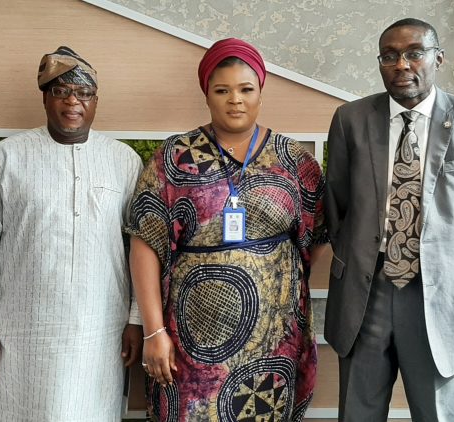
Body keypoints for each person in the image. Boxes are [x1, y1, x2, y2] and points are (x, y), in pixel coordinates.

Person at [127, 38, 327, 421]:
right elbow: (145, 245)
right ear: (207, 94)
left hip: (273, 344)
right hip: (188, 343)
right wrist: (153, 331)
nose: (235, 100)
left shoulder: (294, 161)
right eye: (222, 90)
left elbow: (315, 240)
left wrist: (270, 274)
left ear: (260, 93)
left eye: (245, 89)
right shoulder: (174, 158)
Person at [324, 18, 454, 421]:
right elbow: (336, 207)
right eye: (389, 56)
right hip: (365, 293)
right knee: (357, 412)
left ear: (438, 58)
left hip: (440, 298)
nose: (402, 64)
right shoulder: (350, 119)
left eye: (414, 53)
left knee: (437, 414)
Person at [0, 46, 143, 421]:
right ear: (45, 98)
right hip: (24, 331)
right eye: (60, 91)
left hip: (101, 330)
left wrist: (136, 319)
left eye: (84, 93)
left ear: (96, 101)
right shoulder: (6, 158)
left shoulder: (124, 160)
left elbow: (139, 248)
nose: (72, 102)